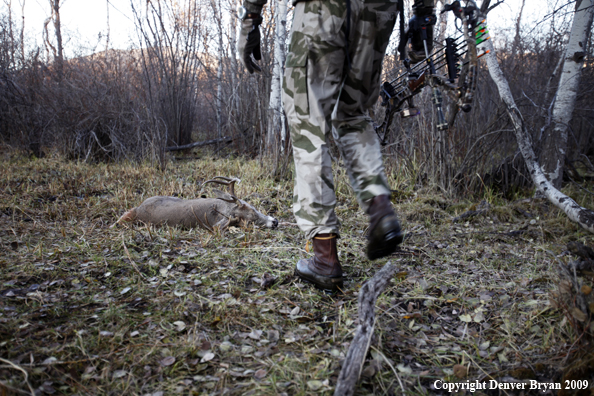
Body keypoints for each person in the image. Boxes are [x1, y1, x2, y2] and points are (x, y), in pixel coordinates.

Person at [238, 0, 435, 291]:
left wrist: (251, 16)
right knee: (353, 113)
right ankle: (380, 210)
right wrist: (423, 14)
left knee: (308, 119)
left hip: (321, 10)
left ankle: (325, 259)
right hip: (379, 11)